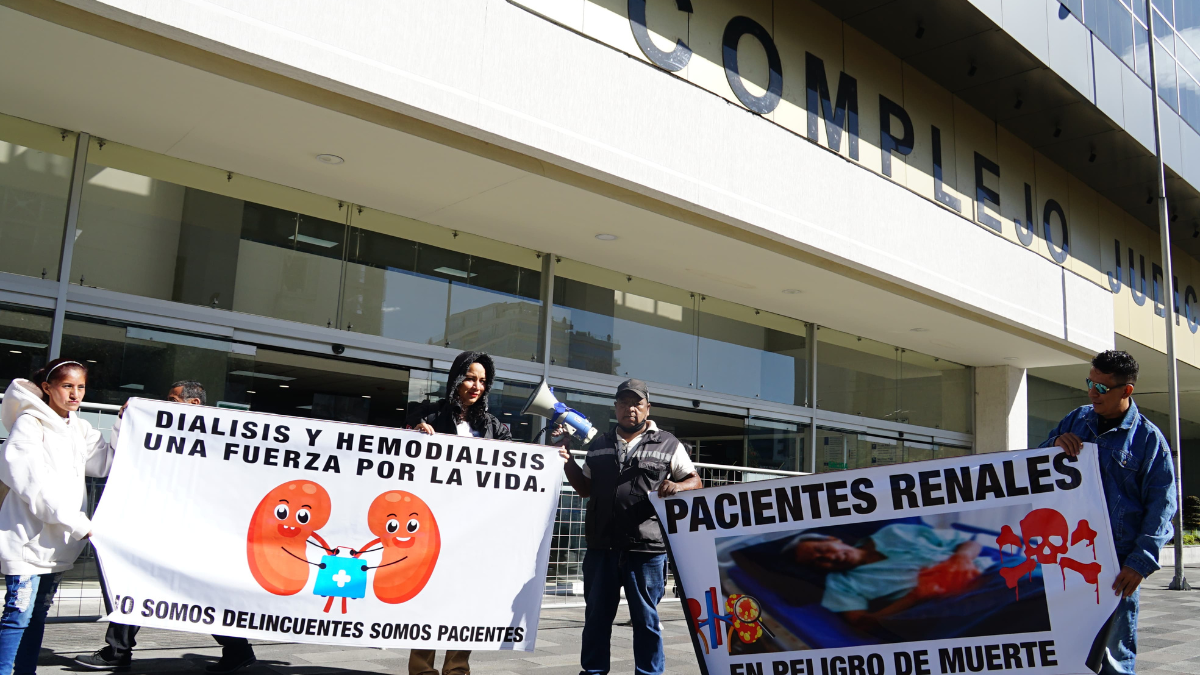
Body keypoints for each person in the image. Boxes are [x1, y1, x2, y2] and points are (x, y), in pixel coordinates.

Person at [74, 381, 256, 674]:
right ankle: (118, 650)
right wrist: (127, 421)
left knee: (198, 592)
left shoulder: (217, 437)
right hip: (165, 524)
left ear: (194, 404)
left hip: (192, 529)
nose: (166, 404)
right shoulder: (167, 431)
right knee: (138, 583)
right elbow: (129, 454)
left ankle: (237, 649)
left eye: (173, 400)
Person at [1040, 350, 1177, 675]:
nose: (1092, 393)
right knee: (1065, 648)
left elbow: (1162, 507)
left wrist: (1139, 563)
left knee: (1113, 657)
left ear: (1126, 390)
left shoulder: (1148, 440)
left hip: (1116, 566)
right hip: (1066, 556)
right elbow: (1035, 465)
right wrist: (1054, 444)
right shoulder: (1076, 420)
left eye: (1101, 387)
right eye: (1090, 383)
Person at [559, 379, 702, 675]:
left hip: (646, 551)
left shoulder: (668, 443)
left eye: (636, 403)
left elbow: (695, 481)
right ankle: (593, 672)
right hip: (601, 548)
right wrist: (567, 459)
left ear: (647, 408)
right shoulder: (599, 445)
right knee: (596, 620)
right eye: (624, 403)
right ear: (615, 408)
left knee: (646, 621)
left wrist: (678, 486)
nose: (630, 409)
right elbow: (584, 489)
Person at [0, 359, 118, 675]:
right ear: (48, 388)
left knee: (37, 615)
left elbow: (104, 464)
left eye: (81, 387)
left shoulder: (79, 427)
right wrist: (78, 523)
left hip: (59, 544)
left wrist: (123, 423)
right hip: (26, 539)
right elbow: (33, 485)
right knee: (18, 614)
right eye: (67, 386)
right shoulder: (29, 424)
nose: (75, 394)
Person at [405, 351, 511, 675]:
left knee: (465, 598)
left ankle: (457, 669)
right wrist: (414, 434)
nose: (476, 386)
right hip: (434, 522)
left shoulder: (494, 426)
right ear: (456, 379)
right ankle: (422, 669)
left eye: (482, 381)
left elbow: (514, 465)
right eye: (470, 378)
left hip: (473, 527)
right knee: (430, 595)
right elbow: (401, 456)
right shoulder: (429, 416)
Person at [791, 525, 987, 631]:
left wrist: (961, 558)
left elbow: (970, 542)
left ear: (833, 539)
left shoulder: (893, 532)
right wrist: (915, 597)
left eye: (822, 549)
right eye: (818, 562)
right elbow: (861, 624)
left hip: (987, 574)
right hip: (949, 606)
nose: (828, 557)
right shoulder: (841, 583)